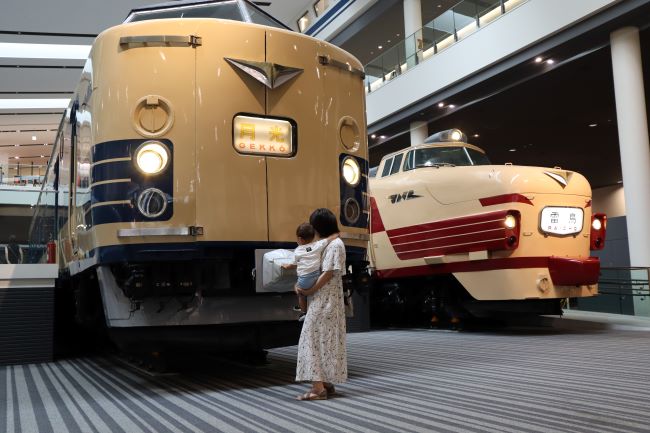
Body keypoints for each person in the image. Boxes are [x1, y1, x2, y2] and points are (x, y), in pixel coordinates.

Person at [295, 208, 347, 401]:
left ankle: (318, 389)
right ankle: (324, 382)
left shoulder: (335, 245)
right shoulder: (330, 243)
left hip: (326, 300)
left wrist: (308, 291)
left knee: (310, 339)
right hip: (324, 299)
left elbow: (328, 273)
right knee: (322, 339)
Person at [282, 223, 338, 321]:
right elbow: (328, 239)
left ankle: (304, 312)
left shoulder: (298, 251)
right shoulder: (317, 244)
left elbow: (293, 265)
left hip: (305, 280)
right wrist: (336, 235)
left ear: (300, 239)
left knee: (298, 290)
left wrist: (285, 266)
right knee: (308, 291)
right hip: (317, 276)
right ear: (313, 237)